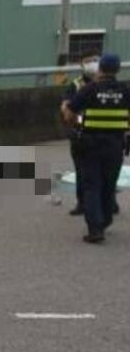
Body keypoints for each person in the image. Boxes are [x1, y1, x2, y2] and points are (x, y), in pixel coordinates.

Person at [61, 53, 129, 243]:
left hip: (90, 144)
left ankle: (95, 228)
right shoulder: (125, 90)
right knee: (108, 184)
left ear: (100, 69)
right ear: (117, 70)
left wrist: (73, 117)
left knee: (92, 185)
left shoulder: (90, 89)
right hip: (115, 145)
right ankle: (106, 220)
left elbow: (69, 114)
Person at [61, 54, 99, 215]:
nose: (92, 65)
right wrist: (79, 121)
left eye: (96, 61)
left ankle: (109, 202)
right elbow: (66, 109)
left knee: (105, 171)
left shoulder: (110, 86)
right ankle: (82, 203)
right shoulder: (75, 85)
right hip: (81, 133)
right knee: (82, 170)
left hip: (105, 134)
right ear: (81, 65)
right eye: (88, 61)